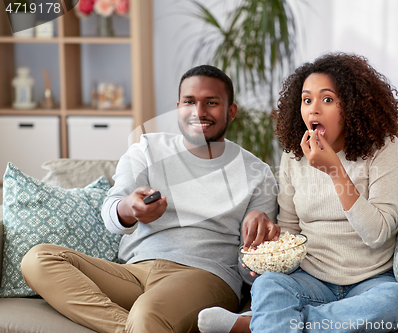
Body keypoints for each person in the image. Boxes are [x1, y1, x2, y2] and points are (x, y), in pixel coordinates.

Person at [20, 65, 280, 333]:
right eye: (189, 102)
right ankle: (133, 329)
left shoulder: (257, 173)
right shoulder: (147, 149)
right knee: (38, 259)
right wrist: (129, 209)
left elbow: (253, 272)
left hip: (205, 276)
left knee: (147, 313)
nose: (198, 112)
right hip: (133, 272)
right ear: (179, 107)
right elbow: (112, 213)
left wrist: (255, 242)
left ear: (231, 111)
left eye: (211, 103)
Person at [198, 52, 398, 333]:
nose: (314, 109)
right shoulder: (294, 157)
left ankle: (266, 322)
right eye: (306, 99)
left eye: (327, 99)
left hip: (370, 281)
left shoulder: (383, 149)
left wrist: (334, 170)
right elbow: (289, 229)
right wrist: (268, 254)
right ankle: (285, 319)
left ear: (352, 106)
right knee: (268, 284)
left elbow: (378, 233)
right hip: (311, 278)